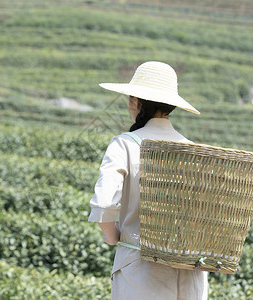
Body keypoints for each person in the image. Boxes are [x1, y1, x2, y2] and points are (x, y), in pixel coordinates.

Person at [88, 61, 208, 300]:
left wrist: (113, 236)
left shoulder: (125, 144)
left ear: (136, 102)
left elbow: (103, 205)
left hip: (141, 276)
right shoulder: (195, 151)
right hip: (191, 278)